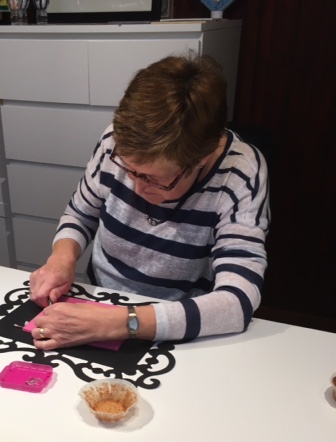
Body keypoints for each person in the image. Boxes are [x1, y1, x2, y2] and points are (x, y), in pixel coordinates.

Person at [29, 53, 270, 350]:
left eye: (156, 179)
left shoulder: (240, 172)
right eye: (129, 169)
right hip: (101, 300)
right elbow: (81, 213)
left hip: (176, 322)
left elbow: (237, 303)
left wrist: (119, 323)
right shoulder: (116, 141)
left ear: (202, 158)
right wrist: (61, 258)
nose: (137, 187)